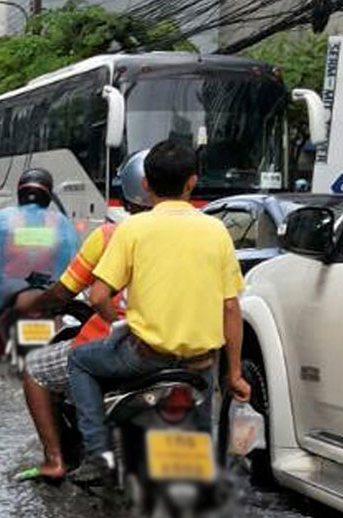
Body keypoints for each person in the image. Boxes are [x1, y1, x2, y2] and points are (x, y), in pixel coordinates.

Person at [66, 141, 252, 486]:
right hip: (200, 363)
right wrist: (236, 374)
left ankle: (96, 455)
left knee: (79, 361)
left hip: (144, 357)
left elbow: (98, 296)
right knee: (203, 443)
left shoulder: (133, 229)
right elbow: (230, 307)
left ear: (146, 185)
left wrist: (116, 323)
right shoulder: (217, 231)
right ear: (192, 182)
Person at [12, 150, 151, 482]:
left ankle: (56, 459)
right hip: (179, 348)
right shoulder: (64, 226)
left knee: (39, 369)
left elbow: (70, 289)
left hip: (55, 306)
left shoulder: (107, 235)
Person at [0, 168, 81, 369]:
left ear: (20, 193)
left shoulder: (2, 219)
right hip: (48, 297)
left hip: (2, 297)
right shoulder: (62, 223)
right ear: (48, 196)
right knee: (60, 318)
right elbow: (76, 260)